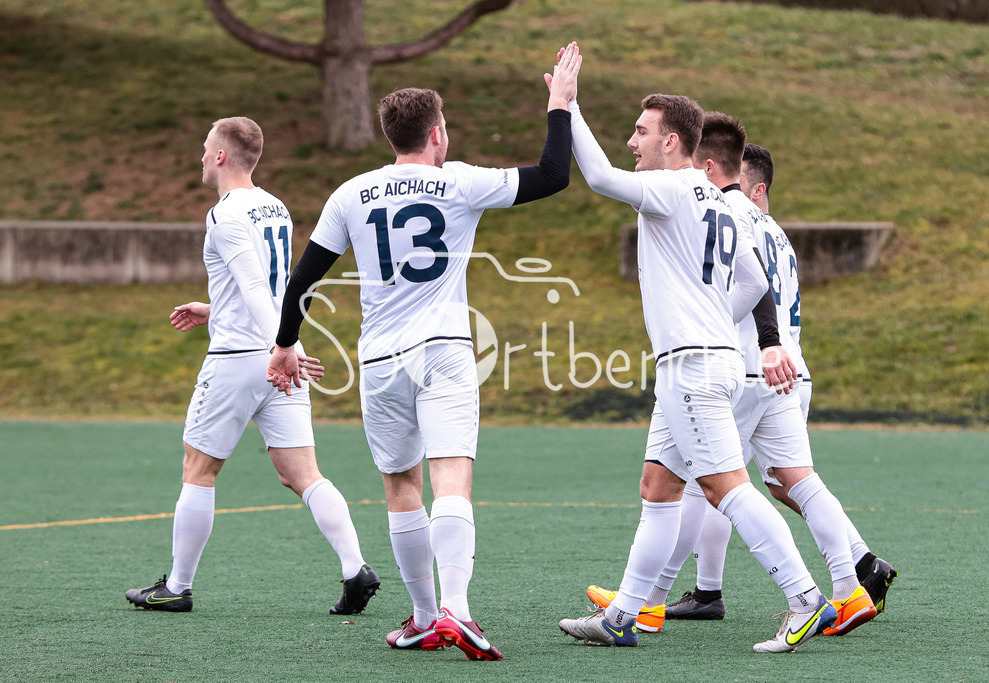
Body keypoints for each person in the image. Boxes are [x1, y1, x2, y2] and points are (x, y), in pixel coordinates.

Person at [267, 44, 583, 661]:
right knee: (452, 478)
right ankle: (456, 611)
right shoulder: (459, 181)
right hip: (443, 350)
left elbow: (304, 278)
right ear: (436, 133)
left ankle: (422, 617)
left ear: (392, 135)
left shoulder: (351, 193)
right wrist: (558, 104)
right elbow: (553, 174)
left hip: (381, 359)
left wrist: (285, 343)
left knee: (400, 486)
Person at [556, 86, 839, 654]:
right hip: (708, 362)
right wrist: (715, 320)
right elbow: (755, 283)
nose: (631, 141)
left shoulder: (672, 187)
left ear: (671, 142)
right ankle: (623, 616)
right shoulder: (720, 200)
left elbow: (600, 177)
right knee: (658, 487)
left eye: (641, 131)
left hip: (694, 368)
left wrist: (568, 107)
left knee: (725, 488)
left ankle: (806, 598)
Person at [125, 117, 378, 617]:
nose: (201, 156)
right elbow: (272, 285)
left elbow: (255, 287)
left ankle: (177, 587)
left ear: (221, 155)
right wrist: (220, 311)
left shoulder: (223, 214)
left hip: (246, 360)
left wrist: (284, 347)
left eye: (206, 148)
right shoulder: (274, 206)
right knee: (303, 474)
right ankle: (356, 569)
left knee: (199, 469)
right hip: (277, 355)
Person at [661, 142, 897, 628]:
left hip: (749, 367)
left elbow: (744, 289)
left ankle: (663, 595)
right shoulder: (778, 233)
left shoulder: (731, 214)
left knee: (706, 481)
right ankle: (855, 577)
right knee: (794, 483)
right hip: (788, 370)